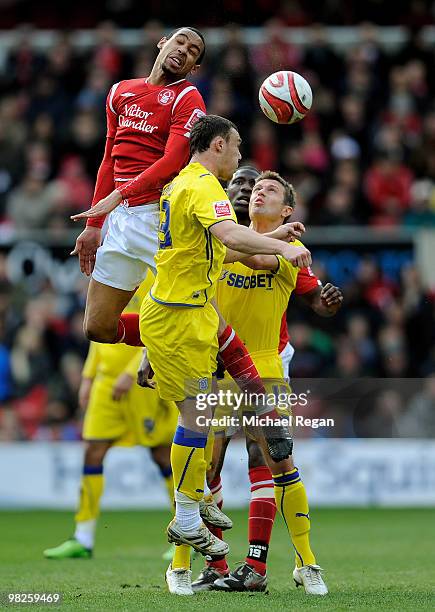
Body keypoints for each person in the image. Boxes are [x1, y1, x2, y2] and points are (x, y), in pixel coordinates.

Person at [70, 26, 303, 440]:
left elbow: (174, 158)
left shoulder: (185, 97)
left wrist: (117, 197)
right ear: (163, 43)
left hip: (158, 214)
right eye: (180, 41)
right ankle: (159, 342)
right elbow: (108, 158)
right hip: (120, 220)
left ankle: (257, 398)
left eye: (193, 50)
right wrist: (93, 225)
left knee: (202, 309)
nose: (184, 49)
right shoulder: (120, 91)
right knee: (98, 328)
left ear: (194, 67)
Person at [138, 114, 312, 595]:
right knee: (196, 417)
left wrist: (278, 240)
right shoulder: (204, 189)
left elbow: (233, 251)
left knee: (241, 383)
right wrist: (289, 249)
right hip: (179, 316)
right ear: (218, 145)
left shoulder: (181, 184)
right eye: (236, 149)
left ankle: (213, 495)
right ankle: (188, 513)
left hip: (196, 316)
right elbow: (234, 240)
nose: (242, 160)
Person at [192, 170, 343, 596]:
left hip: (265, 365)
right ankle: (216, 562)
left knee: (272, 459)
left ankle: (283, 563)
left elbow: (273, 270)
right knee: (208, 465)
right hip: (214, 368)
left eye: (266, 188)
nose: (255, 190)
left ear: (289, 208)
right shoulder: (225, 235)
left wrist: (325, 301)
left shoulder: (290, 249)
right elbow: (238, 253)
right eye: (251, 186)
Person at [43, 274, 178, 560]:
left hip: (143, 380)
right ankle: (83, 537)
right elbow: (97, 327)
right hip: (106, 382)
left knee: (162, 455)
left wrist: (131, 372)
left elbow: (160, 326)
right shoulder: (109, 271)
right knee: (93, 451)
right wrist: (88, 377)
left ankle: (185, 534)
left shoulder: (154, 273)